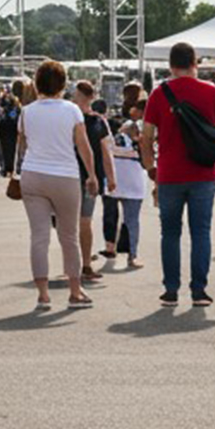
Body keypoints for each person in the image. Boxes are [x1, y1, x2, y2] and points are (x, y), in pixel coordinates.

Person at [142, 42, 215, 307]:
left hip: (168, 174)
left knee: (170, 233)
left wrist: (150, 169)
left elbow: (145, 138)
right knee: (201, 232)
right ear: (195, 62)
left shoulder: (158, 94)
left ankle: (171, 290)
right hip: (203, 173)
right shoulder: (212, 92)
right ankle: (199, 291)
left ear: (170, 64)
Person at [14, 60, 99, 309]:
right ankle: (75, 291)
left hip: (33, 174)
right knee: (69, 235)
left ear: (38, 83)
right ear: (63, 84)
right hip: (65, 175)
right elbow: (84, 146)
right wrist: (92, 175)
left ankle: (43, 294)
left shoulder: (26, 112)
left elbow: (22, 147)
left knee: (39, 236)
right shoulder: (71, 110)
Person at [71, 82, 116, 284]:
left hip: (71, 175)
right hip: (91, 177)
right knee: (85, 221)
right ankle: (85, 265)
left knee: (72, 223)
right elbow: (106, 152)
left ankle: (75, 265)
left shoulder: (69, 117)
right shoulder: (98, 121)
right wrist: (111, 177)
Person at [108, 104, 147, 271]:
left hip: (114, 184)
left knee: (111, 219)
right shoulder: (142, 144)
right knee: (131, 221)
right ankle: (132, 255)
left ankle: (111, 247)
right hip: (134, 185)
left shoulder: (114, 140)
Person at [0, 90, 22, 179]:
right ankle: (8, 169)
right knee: (9, 151)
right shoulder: (14, 109)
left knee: (7, 151)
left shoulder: (11, 109)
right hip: (9, 131)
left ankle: (8, 169)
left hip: (7, 131)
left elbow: (10, 119)